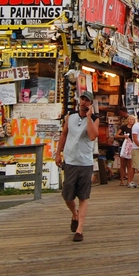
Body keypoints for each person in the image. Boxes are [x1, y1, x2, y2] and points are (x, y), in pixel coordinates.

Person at [55, 91, 99, 242]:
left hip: (85, 162)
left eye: (87, 101)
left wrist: (88, 118)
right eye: (83, 99)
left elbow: (93, 136)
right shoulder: (70, 116)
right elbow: (64, 134)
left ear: (91, 104)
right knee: (67, 194)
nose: (84, 103)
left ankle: (80, 229)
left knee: (83, 195)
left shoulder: (94, 119)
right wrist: (58, 153)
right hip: (71, 161)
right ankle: (74, 213)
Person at [117, 115, 134, 186]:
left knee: (130, 165)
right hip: (123, 146)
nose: (131, 121)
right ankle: (122, 180)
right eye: (130, 119)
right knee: (122, 164)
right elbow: (116, 135)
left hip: (131, 146)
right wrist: (123, 136)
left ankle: (129, 180)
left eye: (132, 120)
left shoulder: (134, 128)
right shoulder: (123, 127)